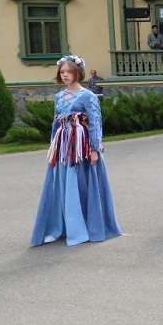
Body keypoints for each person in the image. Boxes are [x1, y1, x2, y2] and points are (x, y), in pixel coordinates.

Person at [31, 55, 121, 247]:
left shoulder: (87, 96)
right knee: (64, 184)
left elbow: (95, 122)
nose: (65, 75)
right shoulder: (59, 96)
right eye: (62, 72)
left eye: (68, 72)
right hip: (63, 146)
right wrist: (52, 146)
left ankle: (84, 227)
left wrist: (95, 149)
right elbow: (56, 122)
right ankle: (63, 227)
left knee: (79, 184)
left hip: (82, 147)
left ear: (77, 73)